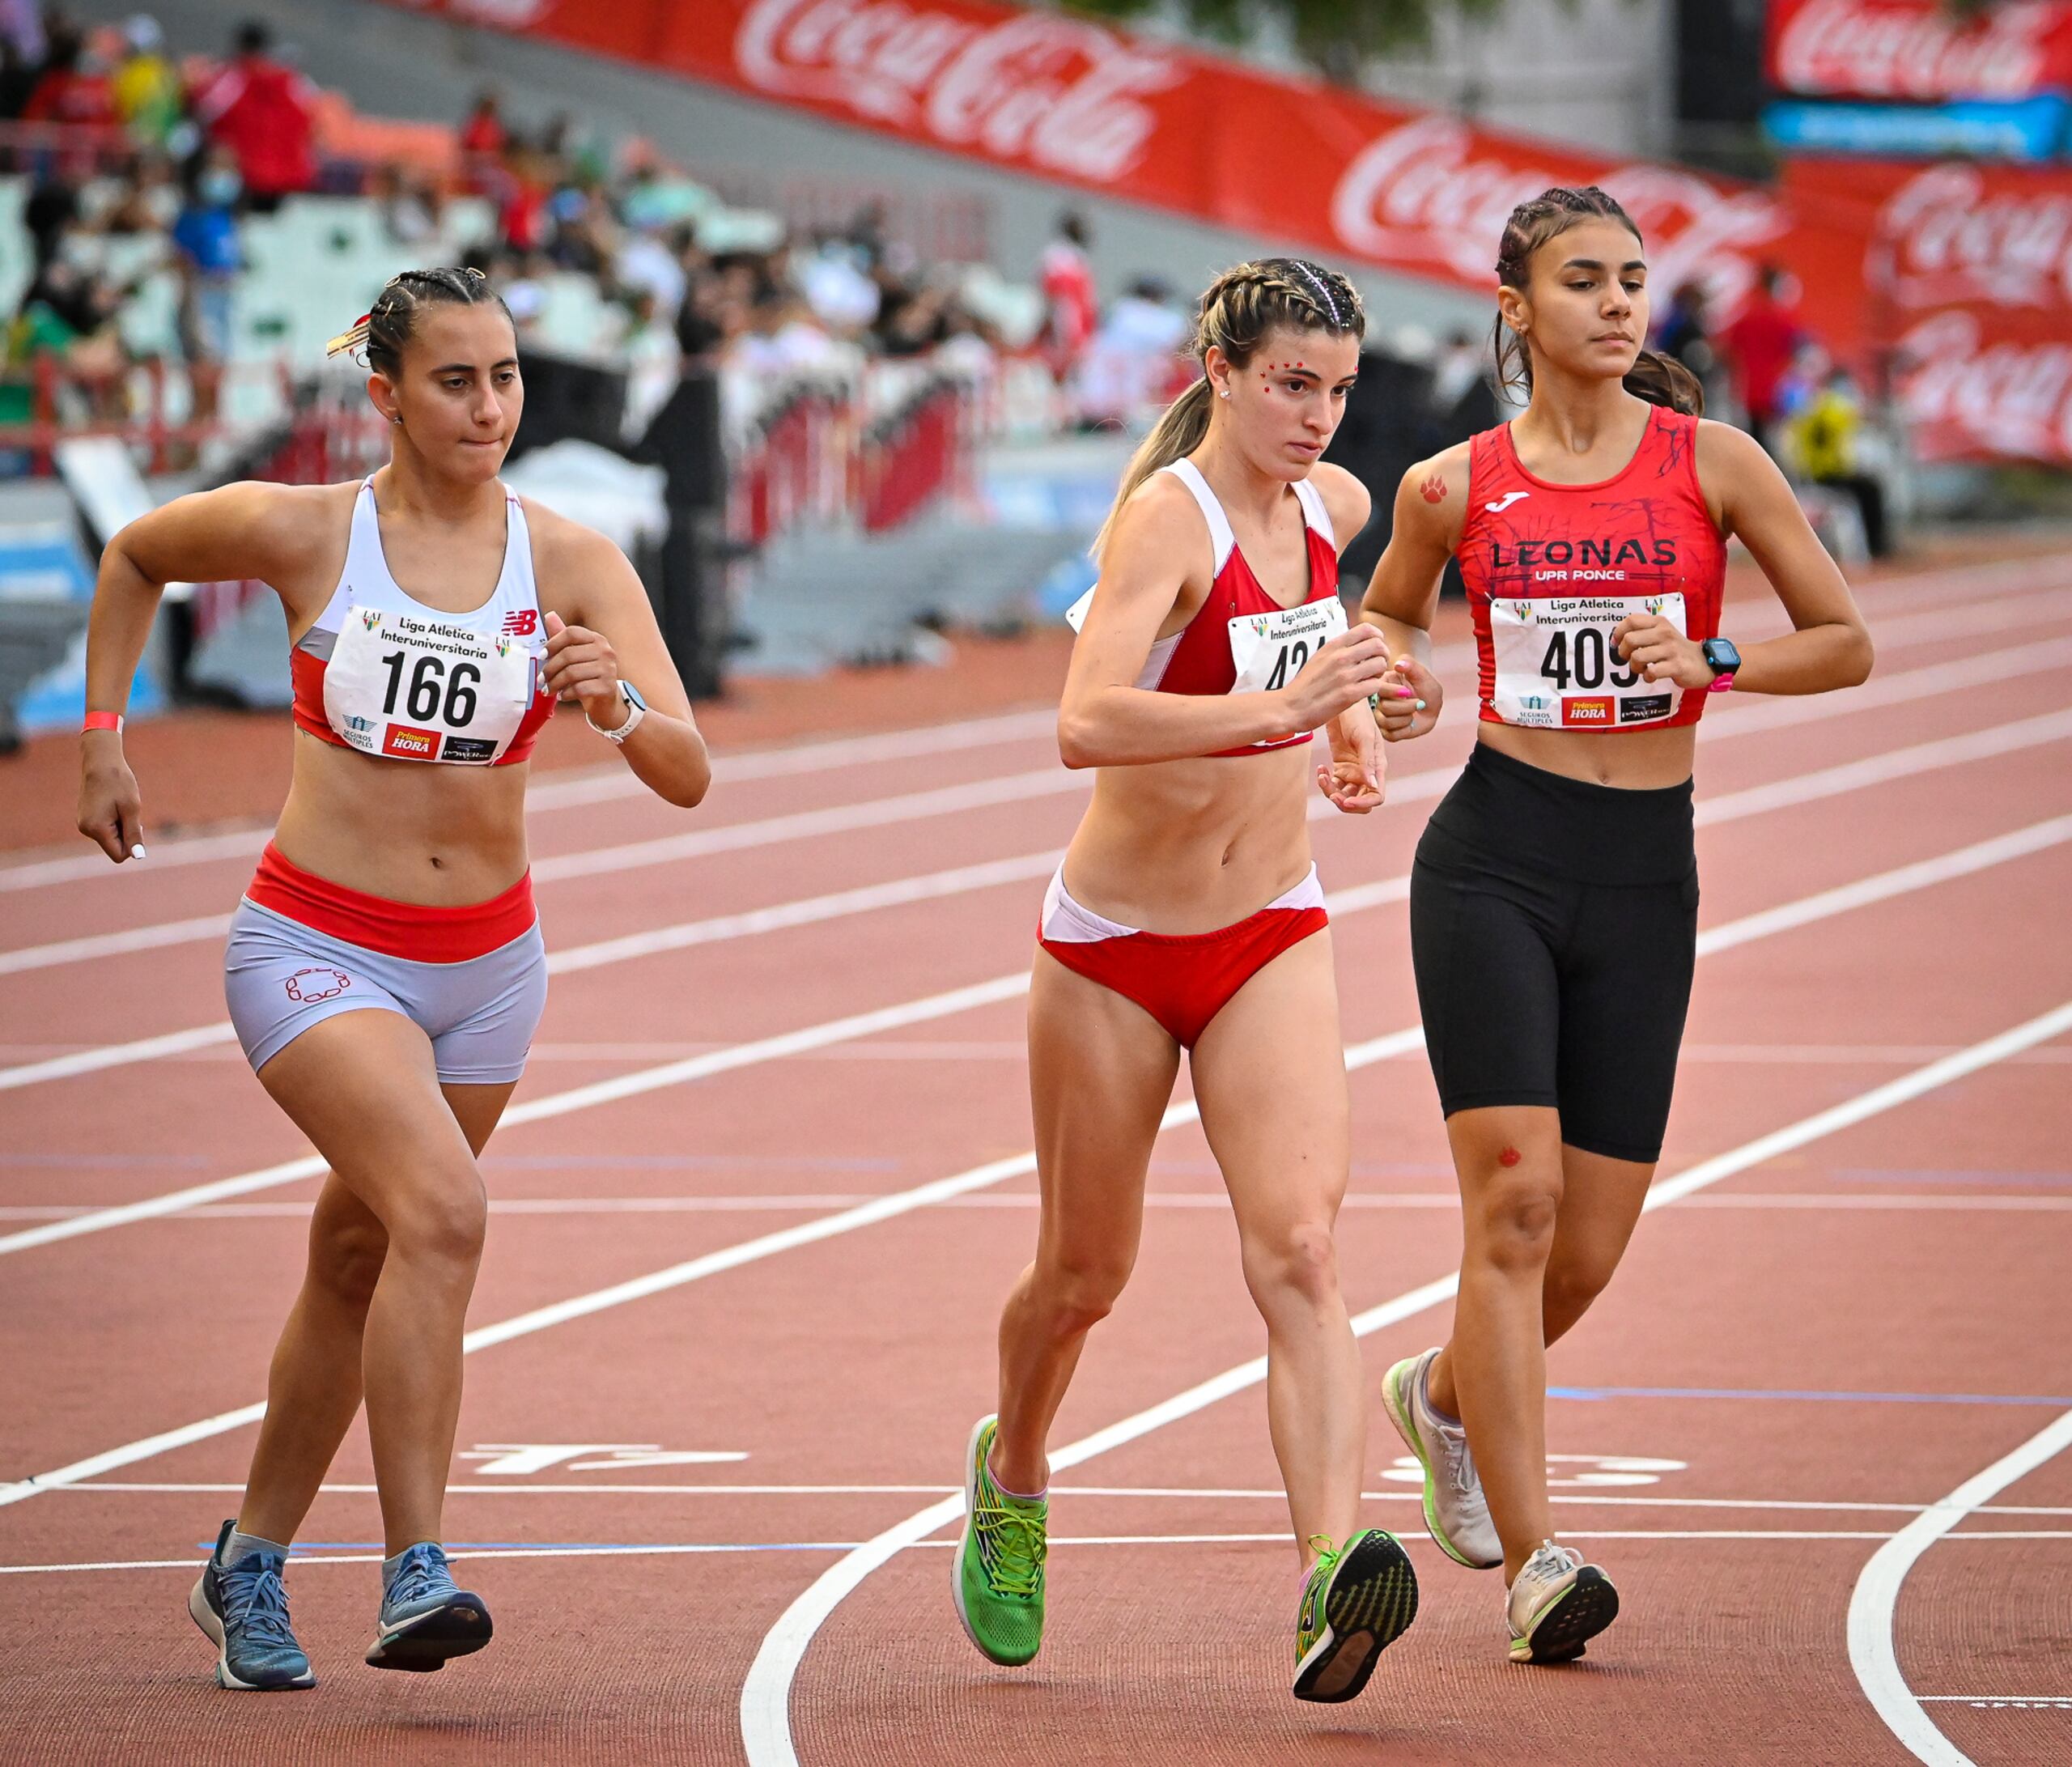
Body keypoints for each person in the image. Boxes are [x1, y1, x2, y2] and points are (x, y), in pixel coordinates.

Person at [74, 267, 711, 1690]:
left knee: (360, 1255)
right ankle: (418, 1567)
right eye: (454, 380)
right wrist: (105, 734)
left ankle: (244, 1560)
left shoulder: (572, 558)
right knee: (444, 1210)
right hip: (314, 945)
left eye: (504, 377)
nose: (488, 406)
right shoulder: (307, 530)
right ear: (385, 393)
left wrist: (610, 700)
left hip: (487, 972)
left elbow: (688, 773)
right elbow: (132, 554)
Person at [1357, 186, 1871, 1665]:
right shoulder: (1452, 486)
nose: (1620, 303)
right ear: (1515, 306)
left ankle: (1443, 1395)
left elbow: (1845, 639)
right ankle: (1537, 1564)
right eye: (1584, 280)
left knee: (1582, 1250)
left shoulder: (1714, 461)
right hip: (1494, 862)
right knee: (1510, 1210)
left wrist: (1711, 655)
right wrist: (1397, 680)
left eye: (1634, 279)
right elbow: (1391, 612)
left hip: (1647, 872)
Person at [953, 257, 1434, 1704]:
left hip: (1270, 926)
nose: (1318, 416)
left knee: (1301, 1249)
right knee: (1085, 1274)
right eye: (1292, 383)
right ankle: (1015, 1467)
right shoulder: (1168, 518)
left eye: (1339, 389)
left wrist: (1364, 724)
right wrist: (1279, 708)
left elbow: (1353, 661)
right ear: (1221, 370)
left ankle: (1330, 1575)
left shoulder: (1335, 509)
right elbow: (1082, 718)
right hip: (1114, 947)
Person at [1717, 264, 1803, 457]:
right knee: (1773, 445)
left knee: (1753, 442)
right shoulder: (1784, 319)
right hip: (1776, 391)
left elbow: (1728, 351)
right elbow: (1798, 353)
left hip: (1747, 390)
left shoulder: (1748, 317)